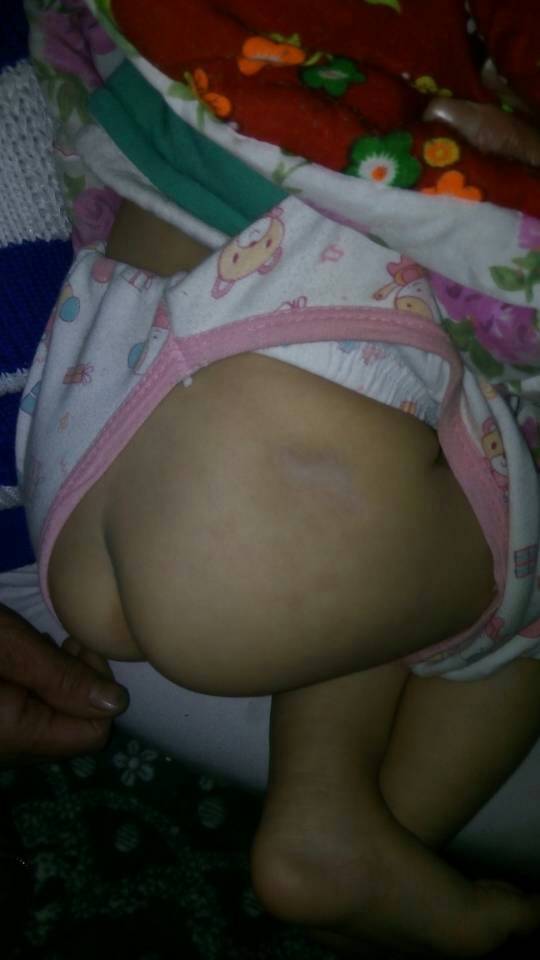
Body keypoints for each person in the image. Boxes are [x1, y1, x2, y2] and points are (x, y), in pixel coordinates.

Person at [15, 8, 540, 960]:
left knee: (381, 511)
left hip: (90, 449)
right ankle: (340, 834)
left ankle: (339, 829)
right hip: (262, 469)